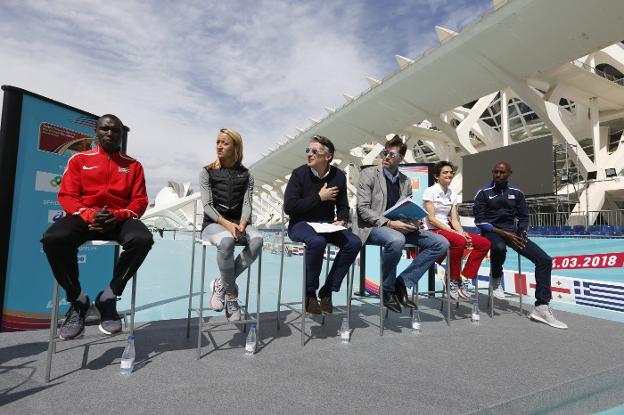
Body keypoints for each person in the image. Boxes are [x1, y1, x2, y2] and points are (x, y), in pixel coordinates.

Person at [41, 114, 154, 340]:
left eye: (115, 130)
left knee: (143, 239)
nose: (110, 133)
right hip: (85, 218)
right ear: (96, 131)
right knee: (54, 239)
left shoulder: (133, 165)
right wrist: (90, 214)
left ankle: (108, 297)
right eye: (105, 129)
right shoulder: (79, 160)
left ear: (122, 135)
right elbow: (68, 196)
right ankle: (78, 300)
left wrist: (117, 214)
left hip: (118, 220)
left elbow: (139, 201)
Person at [353, 135, 449, 313]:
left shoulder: (405, 181)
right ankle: (387, 290)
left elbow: (406, 208)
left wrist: (413, 222)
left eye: (392, 155)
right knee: (396, 239)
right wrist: (390, 223)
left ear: (401, 158)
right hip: (372, 227)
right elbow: (363, 210)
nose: (387, 157)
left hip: (398, 226)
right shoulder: (369, 174)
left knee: (441, 243)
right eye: (385, 153)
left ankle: (402, 282)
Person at [474, 161, 567, 329]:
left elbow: (524, 217)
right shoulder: (483, 193)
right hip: (492, 232)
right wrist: (504, 233)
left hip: (513, 234)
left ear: (510, 173)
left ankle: (541, 307)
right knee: (499, 247)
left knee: (544, 260)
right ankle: (496, 278)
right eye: (495, 172)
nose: (498, 175)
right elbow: (480, 222)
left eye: (502, 172)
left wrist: (521, 232)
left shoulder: (517, 193)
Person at [283, 135, 361, 314]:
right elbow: (290, 207)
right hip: (300, 224)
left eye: (314, 151)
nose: (309, 154)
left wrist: (342, 219)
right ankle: (310, 294)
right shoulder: (299, 174)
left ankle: (328, 290)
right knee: (316, 242)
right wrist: (319, 197)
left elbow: (343, 206)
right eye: (307, 150)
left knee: (354, 242)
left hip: (326, 225)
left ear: (328, 156)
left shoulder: (339, 176)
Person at [200, 128, 263, 322]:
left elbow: (247, 203)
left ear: (236, 147)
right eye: (218, 142)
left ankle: (221, 284)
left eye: (224, 143)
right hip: (214, 223)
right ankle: (232, 296)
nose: (219, 146)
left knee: (258, 240)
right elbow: (207, 205)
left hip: (239, 221)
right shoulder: (207, 172)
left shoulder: (246, 174)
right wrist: (228, 225)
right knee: (226, 241)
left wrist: (243, 223)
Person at [422, 161, 490, 301]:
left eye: (451, 172)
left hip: (448, 229)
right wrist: (455, 233)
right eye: (445, 172)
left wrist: (461, 231)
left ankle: (464, 277)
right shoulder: (430, 191)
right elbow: (432, 219)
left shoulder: (452, 194)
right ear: (436, 176)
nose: (449, 174)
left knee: (484, 243)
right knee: (459, 240)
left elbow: (454, 220)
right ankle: (452, 279)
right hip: (433, 230)